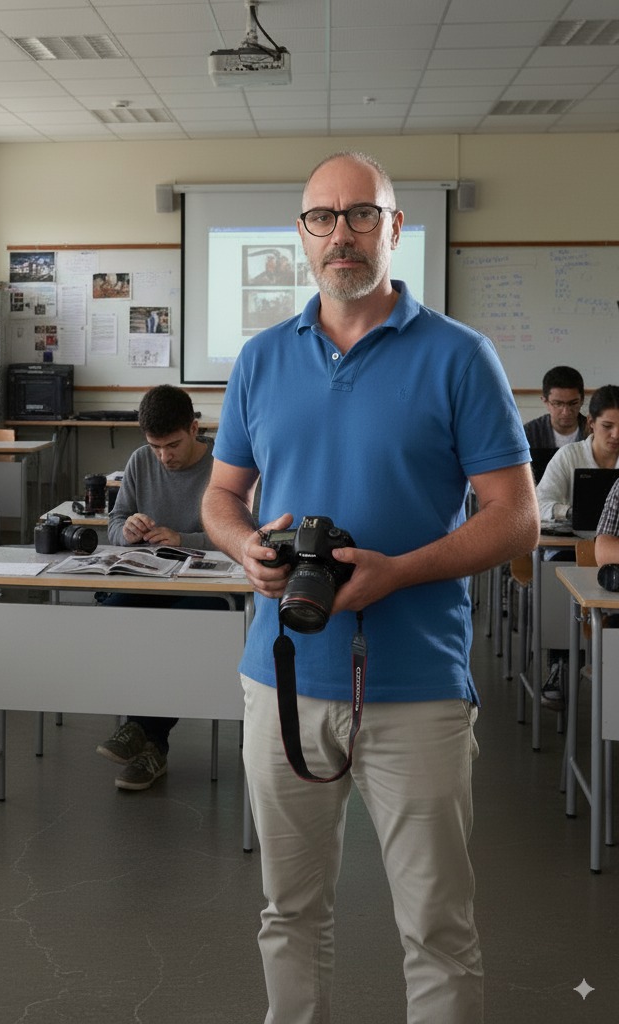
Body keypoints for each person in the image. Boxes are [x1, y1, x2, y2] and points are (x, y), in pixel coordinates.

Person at [201, 151, 538, 1023]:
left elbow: (516, 519)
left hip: (418, 686)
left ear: (393, 228)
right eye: (323, 217)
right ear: (301, 234)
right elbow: (222, 496)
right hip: (283, 679)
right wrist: (245, 548)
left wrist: (399, 572)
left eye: (360, 215)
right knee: (289, 912)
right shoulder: (261, 358)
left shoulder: (460, 356)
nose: (340, 234)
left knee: (436, 927)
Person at [96, 384, 222, 791]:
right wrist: (127, 530)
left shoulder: (224, 464)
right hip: (152, 577)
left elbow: (244, 533)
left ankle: (144, 732)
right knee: (114, 611)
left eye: (173, 445)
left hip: (209, 588)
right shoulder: (140, 461)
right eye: (155, 447)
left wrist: (185, 540)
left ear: (194, 429)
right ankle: (149, 741)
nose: (164, 457)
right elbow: (114, 522)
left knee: (175, 628)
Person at [534, 384, 619, 522]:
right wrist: (570, 512)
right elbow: (538, 504)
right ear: (591, 422)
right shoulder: (568, 456)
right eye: (607, 426)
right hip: (574, 534)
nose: (616, 435)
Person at [523, 365, 587, 451]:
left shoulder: (595, 431)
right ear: (545, 401)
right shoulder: (528, 433)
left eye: (573, 403)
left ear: (582, 400)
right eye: (558, 404)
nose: (566, 412)